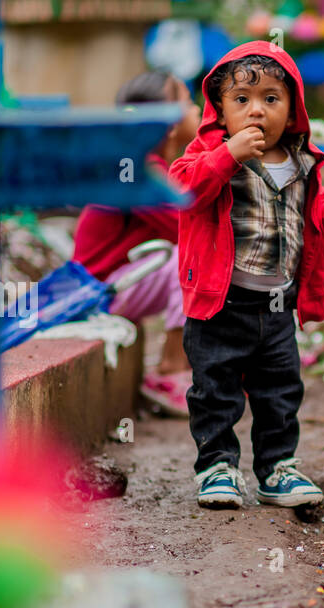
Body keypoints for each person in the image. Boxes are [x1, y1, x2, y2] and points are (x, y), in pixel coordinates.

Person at [169, 42, 324, 510]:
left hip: (276, 306)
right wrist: (227, 156)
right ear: (219, 107)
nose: (257, 110)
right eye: (242, 100)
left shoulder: (300, 160)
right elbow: (183, 190)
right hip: (222, 306)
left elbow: (308, 209)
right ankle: (217, 467)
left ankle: (278, 468)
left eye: (271, 99)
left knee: (280, 391)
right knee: (214, 390)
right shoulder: (208, 154)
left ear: (292, 107)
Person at [72, 71, 200, 416]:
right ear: (166, 123)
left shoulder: (146, 166)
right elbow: (187, 228)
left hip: (115, 286)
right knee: (194, 257)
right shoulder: (138, 173)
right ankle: (171, 370)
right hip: (98, 292)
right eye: (187, 102)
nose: (197, 109)